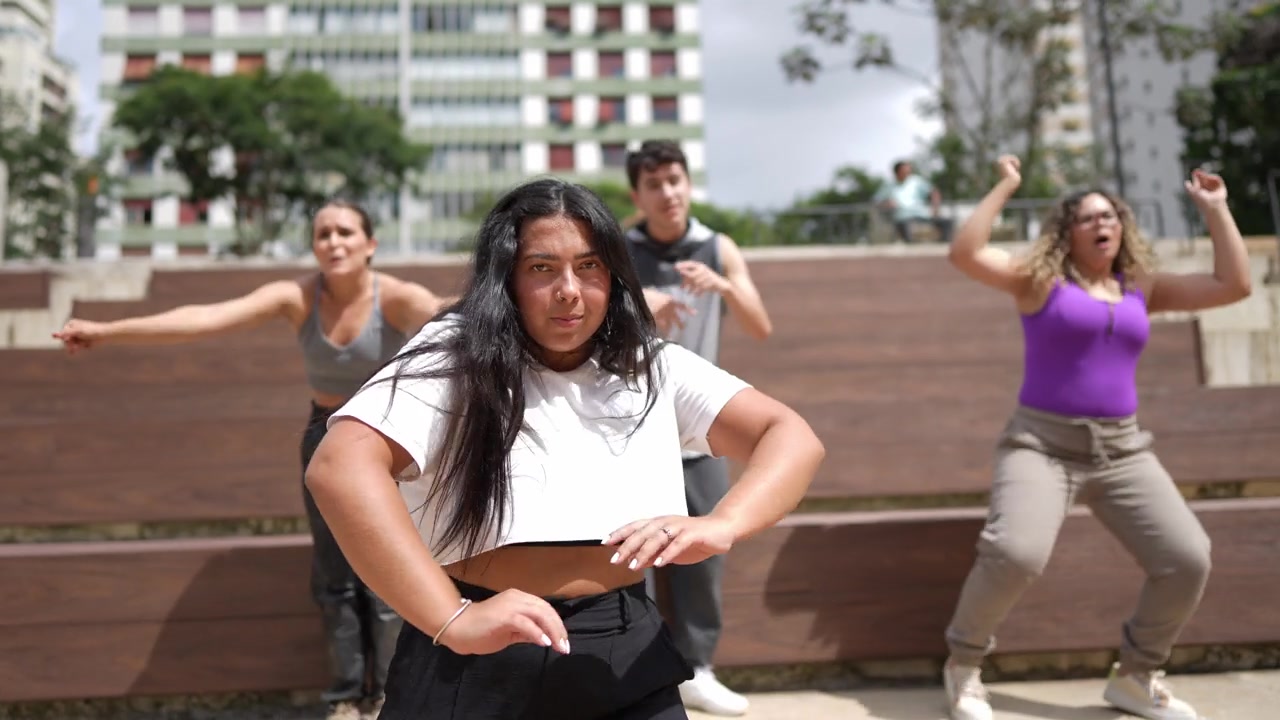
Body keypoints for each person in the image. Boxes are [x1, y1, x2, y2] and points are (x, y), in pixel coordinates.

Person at [301, 177, 825, 720]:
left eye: (589, 266)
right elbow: (340, 466)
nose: (569, 289)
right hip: (480, 653)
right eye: (541, 268)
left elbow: (789, 435)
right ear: (505, 277)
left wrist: (725, 523)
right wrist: (450, 617)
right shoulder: (453, 354)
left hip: (624, 649)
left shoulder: (648, 363)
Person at [52, 200, 453, 720]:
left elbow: (448, 312)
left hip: (383, 441)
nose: (333, 242)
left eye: (345, 232)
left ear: (370, 244)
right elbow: (206, 318)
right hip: (325, 437)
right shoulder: (297, 297)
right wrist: (108, 331)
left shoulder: (395, 298)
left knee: (386, 568)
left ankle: (387, 700)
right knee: (334, 573)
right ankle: (346, 699)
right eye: (323, 234)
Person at [941, 155, 1251, 720]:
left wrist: (1216, 209)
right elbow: (965, 253)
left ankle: (1136, 677)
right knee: (1015, 553)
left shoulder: (1140, 287)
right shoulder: (1040, 282)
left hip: (1122, 451)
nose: (1101, 224)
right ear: (1068, 232)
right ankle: (963, 666)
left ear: (1122, 226)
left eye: (1109, 215)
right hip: (1041, 446)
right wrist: (1007, 185)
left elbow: (1233, 285)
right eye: (1086, 218)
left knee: (1187, 559)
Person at [621, 140, 773, 717]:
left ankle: (698, 669)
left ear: (688, 183)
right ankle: (635, 673)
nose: (668, 193)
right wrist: (640, 302)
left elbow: (760, 327)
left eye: (675, 180)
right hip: (629, 426)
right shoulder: (617, 248)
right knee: (631, 559)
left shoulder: (718, 246)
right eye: (654, 184)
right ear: (637, 195)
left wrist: (725, 286)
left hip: (700, 425)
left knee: (705, 553)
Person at [873, 159, 954, 244]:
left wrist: (935, 208)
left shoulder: (916, 181)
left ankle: (943, 245)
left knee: (946, 223)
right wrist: (886, 204)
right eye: (904, 171)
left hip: (921, 214)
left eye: (908, 171)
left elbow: (934, 192)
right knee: (907, 230)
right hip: (902, 217)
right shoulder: (888, 185)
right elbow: (876, 201)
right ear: (897, 172)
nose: (907, 173)